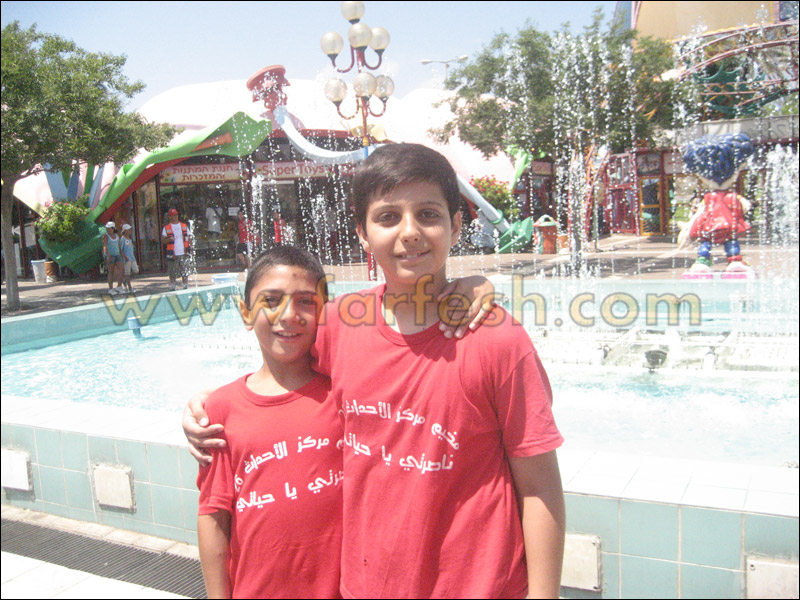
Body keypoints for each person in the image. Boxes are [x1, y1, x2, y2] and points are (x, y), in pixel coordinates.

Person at [187, 144, 564, 598]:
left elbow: (539, 487)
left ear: (456, 225)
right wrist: (204, 408)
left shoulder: (497, 340)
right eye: (388, 217)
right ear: (363, 234)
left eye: (428, 214)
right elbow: (278, 368)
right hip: (366, 586)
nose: (410, 232)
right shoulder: (339, 324)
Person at [197, 246, 341, 598]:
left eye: (305, 301)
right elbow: (214, 516)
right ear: (246, 313)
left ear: (325, 311)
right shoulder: (222, 410)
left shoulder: (345, 396)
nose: (288, 315)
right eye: (271, 300)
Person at [162, 208, 192, 290]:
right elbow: (163, 240)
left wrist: (190, 248)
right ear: (169, 217)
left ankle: (185, 285)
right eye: (172, 215)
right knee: (172, 272)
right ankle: (172, 286)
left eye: (175, 215)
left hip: (183, 252)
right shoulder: (167, 228)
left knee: (185, 271)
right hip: (172, 253)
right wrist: (169, 239)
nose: (174, 217)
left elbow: (189, 238)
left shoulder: (183, 226)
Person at [102, 221, 124, 295]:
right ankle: (110, 289)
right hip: (111, 256)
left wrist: (121, 253)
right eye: (107, 228)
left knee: (121, 270)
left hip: (117, 255)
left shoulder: (117, 236)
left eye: (109, 228)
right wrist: (106, 254)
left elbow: (118, 246)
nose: (108, 230)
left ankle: (119, 286)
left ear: (113, 228)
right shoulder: (106, 236)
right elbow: (104, 246)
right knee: (111, 272)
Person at [119, 224, 138, 294]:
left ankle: (125, 279)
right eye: (128, 229)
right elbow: (120, 249)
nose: (130, 231)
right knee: (127, 272)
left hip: (132, 258)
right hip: (126, 259)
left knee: (136, 270)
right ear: (125, 230)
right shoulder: (122, 239)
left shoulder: (130, 238)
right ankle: (129, 287)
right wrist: (125, 257)